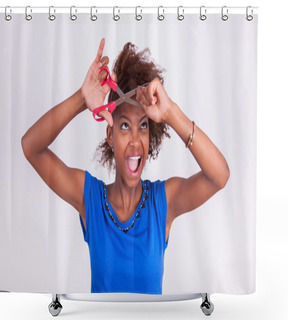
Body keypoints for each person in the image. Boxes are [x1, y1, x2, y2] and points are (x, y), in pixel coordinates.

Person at [21, 38, 230, 294]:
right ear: (109, 136)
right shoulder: (91, 199)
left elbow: (219, 176)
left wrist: (171, 113)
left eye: (143, 126)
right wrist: (80, 99)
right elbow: (31, 147)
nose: (134, 140)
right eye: (124, 126)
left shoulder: (163, 202)